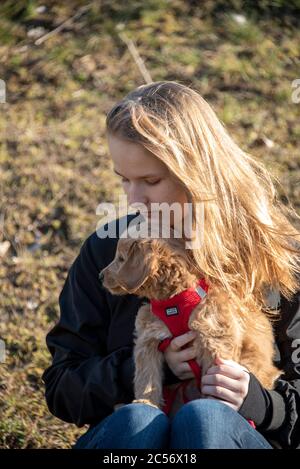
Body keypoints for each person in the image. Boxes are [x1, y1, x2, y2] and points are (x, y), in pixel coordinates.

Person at [42, 81, 300, 449]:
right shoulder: (109, 251)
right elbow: (62, 387)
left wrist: (261, 402)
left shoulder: (276, 255)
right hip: (131, 444)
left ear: (199, 172)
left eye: (150, 180)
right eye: (124, 181)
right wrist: (143, 369)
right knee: (137, 419)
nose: (134, 200)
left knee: (207, 418)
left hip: (238, 437)